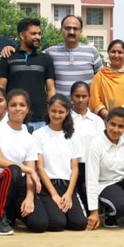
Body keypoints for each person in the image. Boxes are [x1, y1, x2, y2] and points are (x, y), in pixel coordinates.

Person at [0, 90, 46, 235]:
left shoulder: (29, 138)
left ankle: (12, 215)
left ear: (27, 109)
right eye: (13, 105)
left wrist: (29, 197)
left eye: (22, 105)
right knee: (14, 170)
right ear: (7, 108)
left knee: (40, 224)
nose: (18, 109)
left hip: (18, 188)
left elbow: (30, 173)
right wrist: (29, 170)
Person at [33, 95, 88, 231]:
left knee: (79, 223)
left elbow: (75, 169)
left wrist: (69, 193)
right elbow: (40, 167)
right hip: (48, 186)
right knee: (57, 223)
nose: (57, 115)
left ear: (67, 112)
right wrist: (54, 194)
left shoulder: (73, 136)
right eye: (53, 111)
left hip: (67, 185)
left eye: (61, 112)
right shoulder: (38, 134)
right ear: (48, 110)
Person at [0, 18, 56, 133]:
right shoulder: (8, 57)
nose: (37, 37)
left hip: (40, 120)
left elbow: (51, 89)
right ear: (22, 35)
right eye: (33, 34)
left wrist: (52, 110)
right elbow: (1, 88)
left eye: (39, 34)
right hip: (13, 120)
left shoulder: (45, 59)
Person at [44, 15, 103, 97]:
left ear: (81, 31)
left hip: (86, 104)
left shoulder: (92, 52)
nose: (71, 32)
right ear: (61, 30)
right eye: (68, 28)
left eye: (75, 29)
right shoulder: (50, 52)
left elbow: (102, 80)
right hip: (60, 105)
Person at [69, 81, 105, 208]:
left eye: (84, 96)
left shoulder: (97, 121)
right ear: (71, 97)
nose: (80, 100)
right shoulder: (66, 119)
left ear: (89, 97)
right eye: (77, 96)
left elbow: (102, 144)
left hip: (92, 166)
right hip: (71, 167)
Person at [89, 40, 124, 119]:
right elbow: (94, 99)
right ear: (108, 53)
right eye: (113, 52)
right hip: (105, 120)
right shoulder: (100, 76)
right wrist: (107, 114)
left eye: (120, 52)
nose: (116, 55)